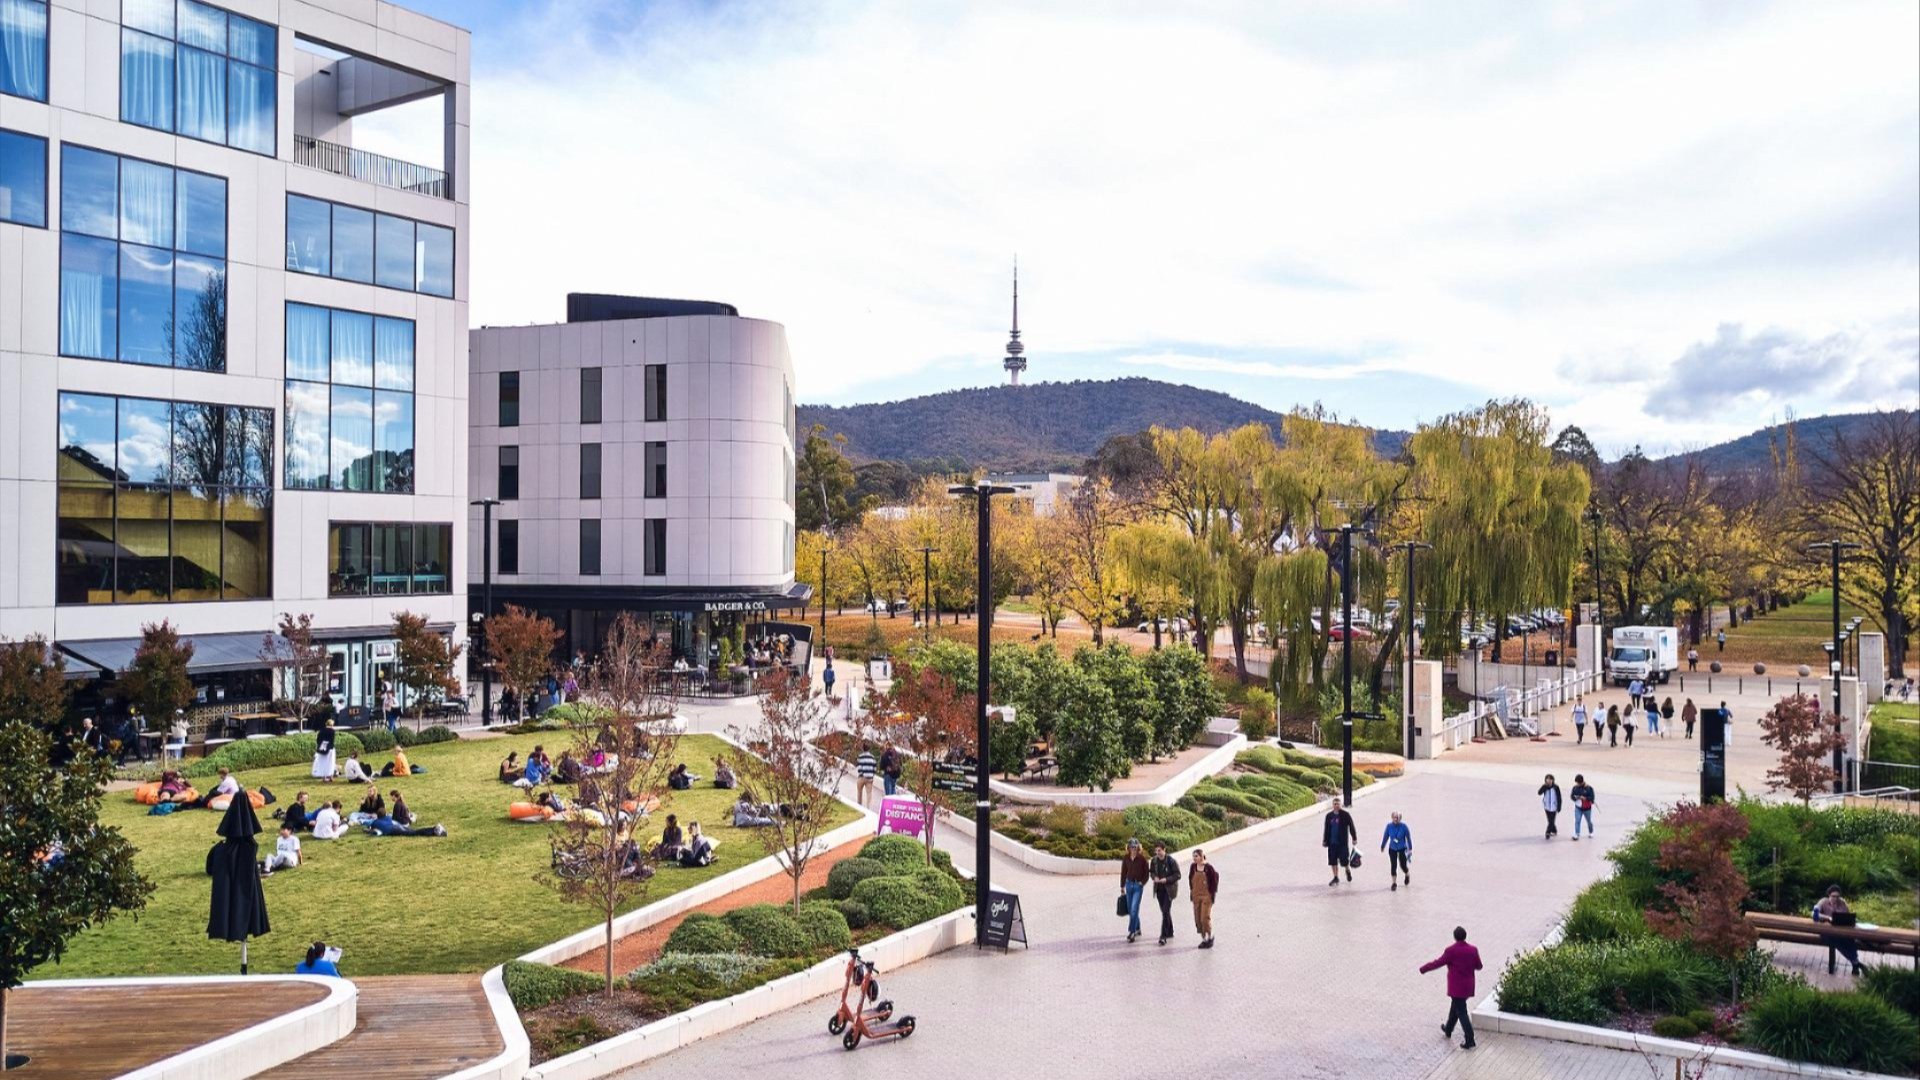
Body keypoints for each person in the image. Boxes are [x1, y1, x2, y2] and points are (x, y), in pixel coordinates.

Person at [1419, 926, 1483, 1050]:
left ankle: (1470, 1039)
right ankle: (1448, 1029)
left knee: (1462, 1012)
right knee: (1456, 1007)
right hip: (1468, 986)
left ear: (1455, 937)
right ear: (1465, 936)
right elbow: (1479, 966)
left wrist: (1424, 968)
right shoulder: (1473, 950)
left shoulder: (1451, 951)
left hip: (1457, 987)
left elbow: (1438, 962)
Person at [1812, 885, 1865, 975]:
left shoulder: (1842, 902)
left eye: (1837, 896)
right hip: (1826, 932)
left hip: (1841, 931)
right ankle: (1855, 962)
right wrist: (1828, 918)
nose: (1835, 898)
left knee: (1849, 939)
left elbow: (1847, 915)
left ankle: (1855, 963)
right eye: (1833, 896)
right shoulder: (1823, 901)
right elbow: (1814, 914)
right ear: (1829, 895)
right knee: (1836, 940)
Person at [1149, 842, 1180, 946]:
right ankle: (1170, 931)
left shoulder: (1171, 861)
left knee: (1165, 911)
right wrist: (1154, 877)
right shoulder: (1154, 861)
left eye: (1159, 850)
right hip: (1159, 890)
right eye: (1156, 851)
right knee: (1165, 911)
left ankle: (1163, 936)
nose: (1158, 853)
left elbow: (1177, 875)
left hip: (1169, 890)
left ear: (1164, 850)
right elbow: (1151, 872)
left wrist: (1166, 879)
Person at [1119, 838, 1150, 942]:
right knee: (1131, 909)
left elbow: (1147, 873)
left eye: (1135, 847)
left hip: (1137, 886)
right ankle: (1137, 928)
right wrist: (1122, 886)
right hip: (1128, 884)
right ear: (1128, 848)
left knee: (1133, 908)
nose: (1133, 849)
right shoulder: (1126, 858)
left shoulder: (1142, 859)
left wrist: (1142, 882)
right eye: (1131, 847)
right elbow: (1123, 872)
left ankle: (1131, 932)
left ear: (1138, 847)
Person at [1187, 849, 1219, 948]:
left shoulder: (1209, 868)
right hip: (1196, 896)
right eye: (1193, 856)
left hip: (1206, 896)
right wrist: (1192, 893)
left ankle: (1209, 937)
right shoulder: (1193, 867)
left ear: (1201, 856)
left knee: (1204, 918)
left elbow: (1214, 882)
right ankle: (1203, 939)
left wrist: (1211, 895)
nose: (1194, 858)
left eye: (1196, 856)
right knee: (1198, 919)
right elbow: (1190, 879)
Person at [1323, 798, 1357, 886]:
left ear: (1340, 805)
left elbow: (1351, 826)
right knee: (1333, 861)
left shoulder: (1345, 815)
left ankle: (1347, 870)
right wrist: (1325, 840)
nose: (1336, 806)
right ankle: (1336, 877)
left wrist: (1354, 837)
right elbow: (1326, 829)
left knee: (1344, 860)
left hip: (1342, 843)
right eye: (1335, 804)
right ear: (1332, 805)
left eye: (1338, 804)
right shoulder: (1329, 816)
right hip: (1332, 842)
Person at [1381, 812, 1412, 890]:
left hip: (1402, 848)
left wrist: (1410, 849)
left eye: (1397, 817)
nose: (1396, 819)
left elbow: (1408, 838)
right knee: (1393, 866)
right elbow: (1385, 836)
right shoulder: (1389, 826)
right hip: (1392, 849)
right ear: (1392, 818)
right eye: (1394, 817)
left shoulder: (1404, 827)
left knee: (1403, 865)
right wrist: (1383, 846)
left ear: (1400, 818)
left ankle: (1407, 874)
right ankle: (1394, 883)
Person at [1569, 774, 1596, 841]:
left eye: (1578, 783)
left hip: (1587, 808)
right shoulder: (1575, 788)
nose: (1577, 784)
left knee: (1588, 821)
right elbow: (1572, 796)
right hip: (1578, 807)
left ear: (1581, 782)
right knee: (1577, 820)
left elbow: (1592, 798)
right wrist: (1576, 798)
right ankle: (1577, 834)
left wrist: (1585, 798)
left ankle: (1591, 832)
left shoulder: (1589, 788)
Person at [311, 718, 338, 782]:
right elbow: (332, 741)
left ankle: (324, 777)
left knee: (323, 763)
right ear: (332, 724)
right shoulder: (332, 731)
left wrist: (321, 745)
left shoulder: (321, 730)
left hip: (322, 748)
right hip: (330, 749)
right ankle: (330, 776)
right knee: (330, 763)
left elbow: (318, 740)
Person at [1538, 774, 1563, 839]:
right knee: (1550, 821)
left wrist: (1559, 806)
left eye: (1550, 779)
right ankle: (1554, 830)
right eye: (1547, 779)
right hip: (1547, 807)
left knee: (1551, 821)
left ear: (1552, 780)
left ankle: (1547, 832)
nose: (1549, 780)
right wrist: (1544, 787)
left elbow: (1559, 797)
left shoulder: (1556, 787)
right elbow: (1539, 793)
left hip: (1554, 806)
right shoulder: (1544, 787)